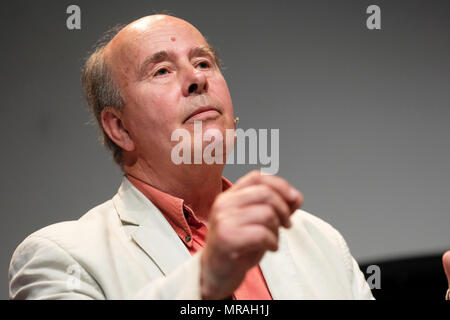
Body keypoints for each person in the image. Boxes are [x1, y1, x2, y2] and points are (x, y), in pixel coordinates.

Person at [8, 14, 450, 300]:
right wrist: (209, 277)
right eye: (162, 70)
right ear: (119, 127)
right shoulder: (59, 257)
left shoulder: (320, 241)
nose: (196, 79)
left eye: (203, 63)